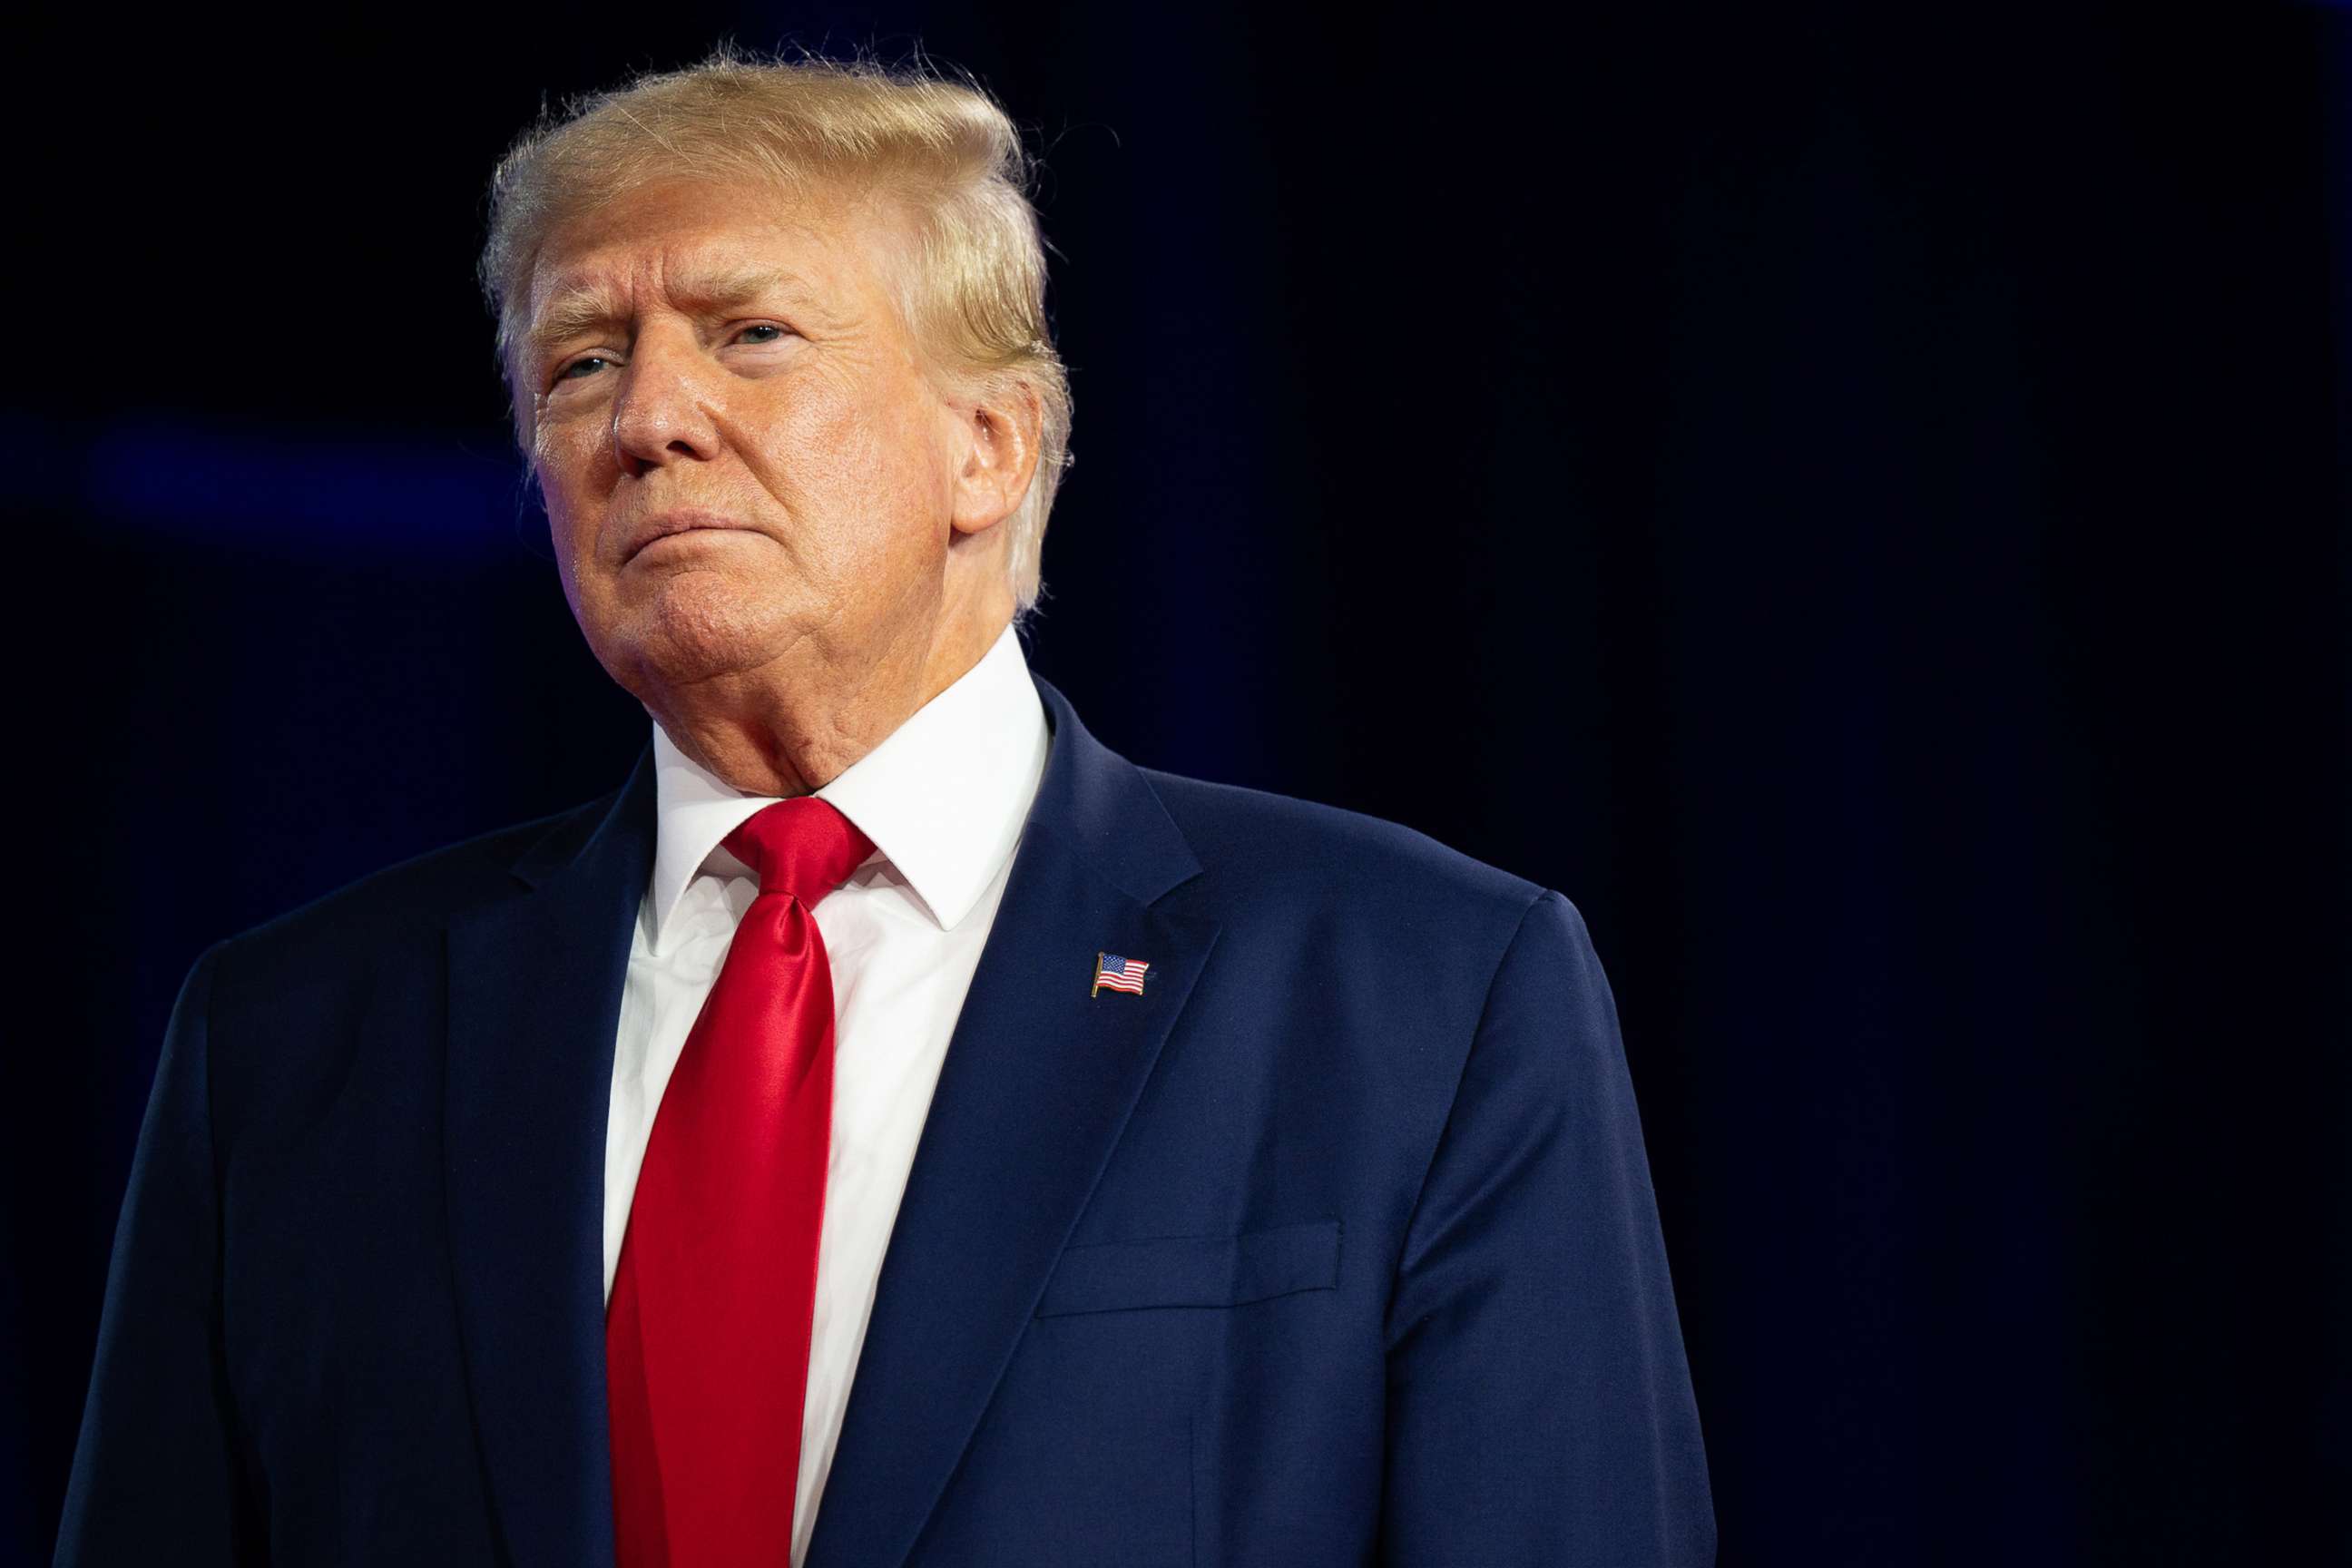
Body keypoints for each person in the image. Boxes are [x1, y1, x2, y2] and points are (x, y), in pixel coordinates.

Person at [54, 49, 1715, 1568]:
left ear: (990, 445)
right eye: (579, 362)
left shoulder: (1425, 991)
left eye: (750, 334)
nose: (645, 420)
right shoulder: (289, 1046)